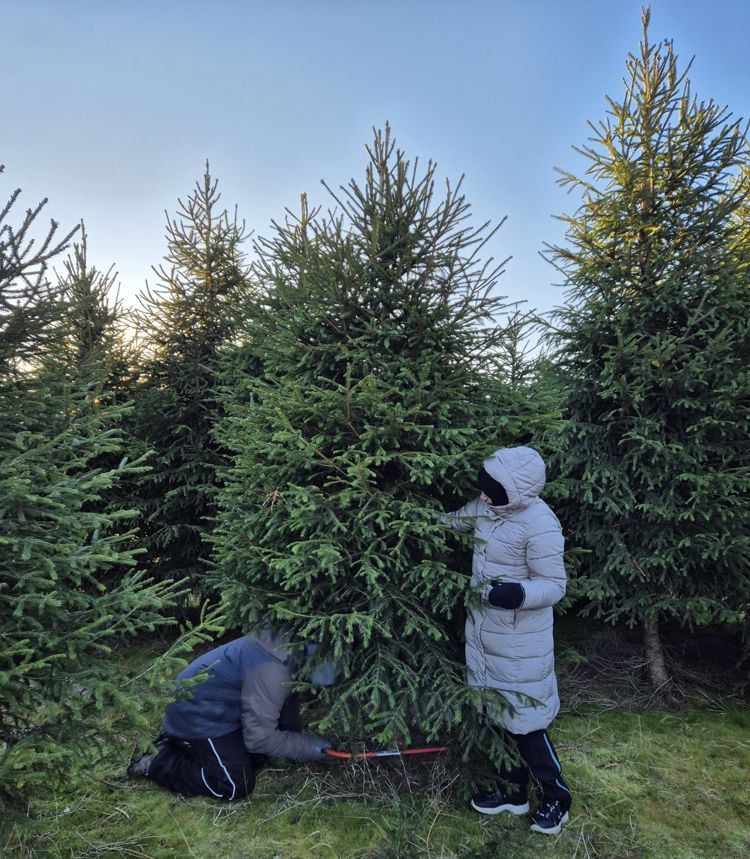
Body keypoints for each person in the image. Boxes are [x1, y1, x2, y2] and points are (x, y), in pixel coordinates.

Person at [442, 445, 572, 835]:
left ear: (514, 491)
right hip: (484, 635)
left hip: (520, 643)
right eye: (483, 489)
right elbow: (453, 520)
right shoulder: (487, 508)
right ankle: (512, 792)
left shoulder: (540, 523)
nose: (482, 496)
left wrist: (518, 594)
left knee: (527, 724)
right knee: (496, 717)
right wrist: (413, 519)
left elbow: (554, 585)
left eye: (491, 491)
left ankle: (556, 798)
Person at [127, 627, 336, 801]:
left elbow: (284, 702)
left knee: (257, 760)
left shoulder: (287, 646)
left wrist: (299, 747)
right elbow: (259, 739)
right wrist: (310, 747)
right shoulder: (272, 671)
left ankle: (184, 745)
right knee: (235, 785)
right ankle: (159, 760)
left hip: (221, 707)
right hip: (197, 715)